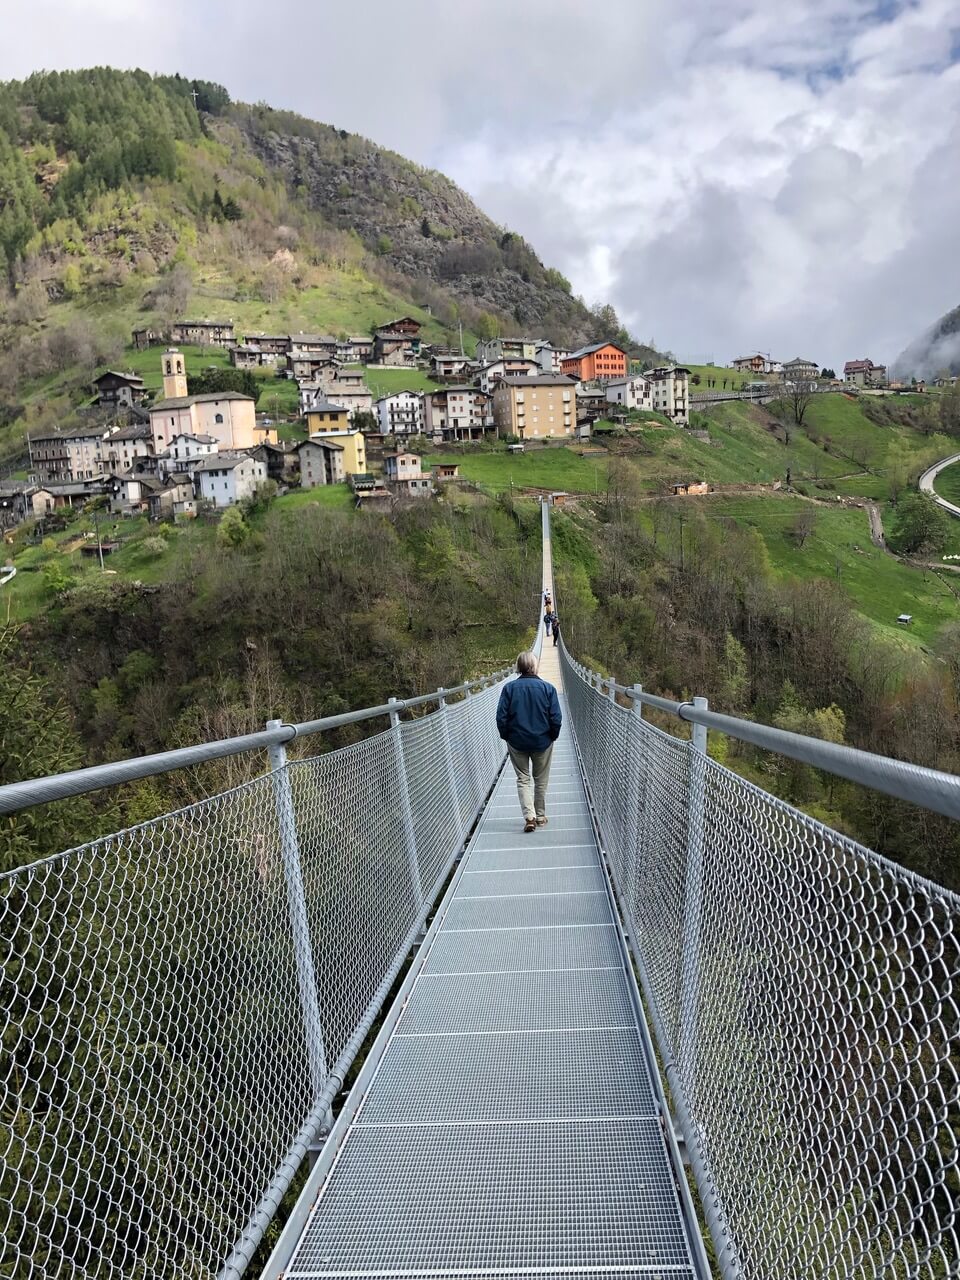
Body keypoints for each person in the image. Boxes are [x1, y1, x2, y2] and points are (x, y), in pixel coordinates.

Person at [496, 651, 562, 833]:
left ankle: (529, 817)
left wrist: (506, 736)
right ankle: (540, 816)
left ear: (518, 667)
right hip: (542, 741)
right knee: (540, 779)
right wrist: (552, 736)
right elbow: (556, 718)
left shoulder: (508, 689)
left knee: (523, 779)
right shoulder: (549, 689)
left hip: (517, 741)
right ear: (534, 666)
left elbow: (501, 717)